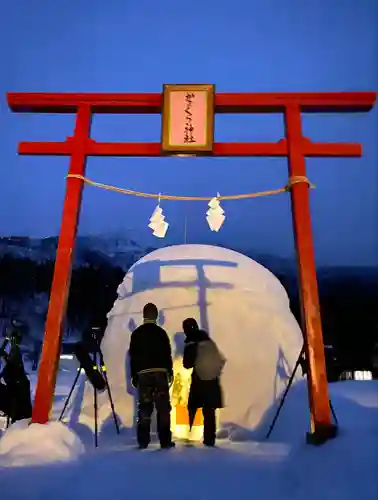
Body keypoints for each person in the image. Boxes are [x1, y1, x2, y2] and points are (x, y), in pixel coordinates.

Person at [129, 303, 175, 449]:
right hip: (160, 372)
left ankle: (143, 440)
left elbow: (133, 356)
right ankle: (165, 440)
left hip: (143, 374)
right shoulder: (161, 333)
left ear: (144, 315)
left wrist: (134, 375)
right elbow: (167, 354)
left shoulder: (136, 334)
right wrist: (170, 371)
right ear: (156, 316)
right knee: (163, 409)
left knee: (144, 407)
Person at [183, 318, 226, 447]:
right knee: (209, 410)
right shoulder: (209, 341)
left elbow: (187, 364)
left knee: (193, 407)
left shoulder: (192, 343)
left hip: (199, 380)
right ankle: (209, 439)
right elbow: (220, 359)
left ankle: (189, 434)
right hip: (212, 380)